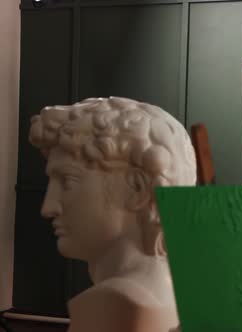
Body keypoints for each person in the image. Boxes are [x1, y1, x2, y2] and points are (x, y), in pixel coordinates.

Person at [29, 97, 196, 332]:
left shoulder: (113, 304)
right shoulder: (178, 290)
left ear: (137, 189)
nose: (48, 207)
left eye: (67, 181)